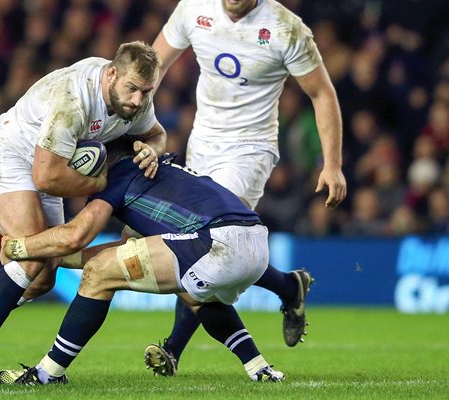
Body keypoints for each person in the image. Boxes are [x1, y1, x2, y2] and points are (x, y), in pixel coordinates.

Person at [0, 41, 167, 386]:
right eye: (132, 89)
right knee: (32, 253)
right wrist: (103, 183)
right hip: (5, 155)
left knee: (43, 277)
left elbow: (157, 134)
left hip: (52, 162)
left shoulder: (134, 98)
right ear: (111, 73)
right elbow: (46, 178)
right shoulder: (73, 101)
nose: (138, 101)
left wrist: (151, 151)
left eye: (146, 92)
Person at [0, 141, 310, 384]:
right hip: (254, 241)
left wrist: (22, 247)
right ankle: (260, 369)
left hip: (217, 242)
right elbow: (130, 246)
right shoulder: (151, 172)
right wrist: (53, 257)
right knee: (192, 293)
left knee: (98, 275)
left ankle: (47, 374)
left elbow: (76, 236)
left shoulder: (116, 178)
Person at [147, 0, 347, 374]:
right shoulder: (193, 9)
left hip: (251, 150)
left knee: (209, 239)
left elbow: (322, 93)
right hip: (202, 143)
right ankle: (288, 286)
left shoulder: (287, 29)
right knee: (208, 250)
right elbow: (153, 66)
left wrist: (332, 165)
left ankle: (173, 349)